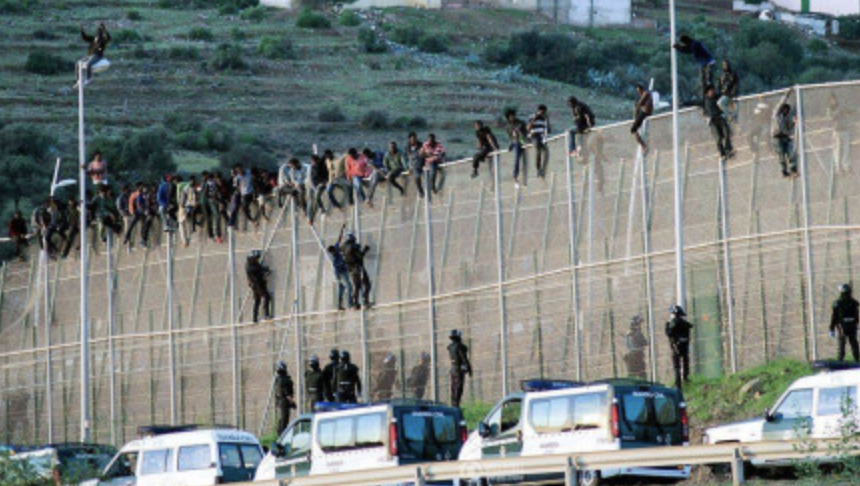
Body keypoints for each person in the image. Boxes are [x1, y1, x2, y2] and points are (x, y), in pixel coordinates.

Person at [830, 284, 860, 363]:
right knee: (853, 342)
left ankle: (840, 360)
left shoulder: (837, 303)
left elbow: (834, 317)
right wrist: (856, 324)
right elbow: (856, 316)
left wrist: (832, 328)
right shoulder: (854, 303)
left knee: (842, 343)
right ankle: (857, 359)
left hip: (842, 325)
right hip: (852, 325)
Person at [703, 84, 734, 159]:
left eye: (713, 90)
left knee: (727, 133)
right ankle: (722, 153)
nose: (713, 92)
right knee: (718, 138)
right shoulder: (704, 101)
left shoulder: (718, 97)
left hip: (720, 118)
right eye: (711, 91)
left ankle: (728, 150)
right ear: (707, 93)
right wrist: (682, 103)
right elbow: (693, 102)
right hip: (712, 121)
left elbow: (725, 97)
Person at [665, 305, 693, 390]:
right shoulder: (684, 323)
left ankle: (678, 384)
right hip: (684, 346)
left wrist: (667, 325)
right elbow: (690, 326)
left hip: (676, 347)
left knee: (677, 366)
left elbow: (668, 333)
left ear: (674, 314)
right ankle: (686, 378)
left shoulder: (673, 323)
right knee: (685, 362)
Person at [342, 232, 372, 309]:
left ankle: (355, 303)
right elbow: (360, 256)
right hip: (358, 268)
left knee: (357, 286)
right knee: (367, 284)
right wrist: (365, 250)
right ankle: (365, 301)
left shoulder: (343, 247)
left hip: (351, 270)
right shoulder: (353, 247)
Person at [772, 88, 798, 178]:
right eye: (786, 110)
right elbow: (781, 103)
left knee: (791, 152)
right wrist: (787, 94)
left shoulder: (786, 118)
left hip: (785, 137)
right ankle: (784, 171)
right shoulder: (777, 114)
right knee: (782, 155)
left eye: (788, 111)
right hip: (777, 137)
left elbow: (788, 129)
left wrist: (793, 123)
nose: (787, 112)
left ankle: (793, 170)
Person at [328, 225, 354, 311]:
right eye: (333, 252)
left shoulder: (336, 248)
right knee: (349, 286)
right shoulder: (333, 258)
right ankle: (350, 304)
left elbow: (339, 239)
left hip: (340, 272)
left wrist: (342, 229)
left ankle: (339, 305)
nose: (334, 252)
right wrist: (346, 264)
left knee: (341, 288)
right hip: (340, 273)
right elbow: (340, 265)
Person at [245, 249, 272, 323]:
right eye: (256, 258)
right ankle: (266, 314)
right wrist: (264, 271)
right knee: (266, 297)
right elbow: (258, 272)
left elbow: (260, 269)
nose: (257, 259)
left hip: (256, 285)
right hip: (258, 285)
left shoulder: (252, 265)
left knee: (257, 300)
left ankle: (255, 317)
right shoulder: (251, 267)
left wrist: (264, 270)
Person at [447, 329, 472, 408]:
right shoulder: (459, 346)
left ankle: (453, 404)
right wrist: (469, 368)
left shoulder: (450, 347)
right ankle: (456, 405)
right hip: (458, 369)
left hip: (453, 368)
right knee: (458, 387)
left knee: (453, 387)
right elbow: (464, 358)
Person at [567, 96, 596, 161]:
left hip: (585, 125)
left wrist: (589, 126)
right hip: (582, 125)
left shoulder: (579, 107)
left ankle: (574, 150)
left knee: (573, 132)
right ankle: (575, 150)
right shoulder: (575, 107)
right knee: (573, 132)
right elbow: (576, 118)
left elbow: (587, 115)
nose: (570, 106)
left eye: (570, 104)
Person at [828, 93, 851, 174]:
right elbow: (830, 118)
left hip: (845, 129)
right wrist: (837, 113)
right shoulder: (830, 109)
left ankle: (846, 166)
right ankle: (837, 168)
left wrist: (846, 111)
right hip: (837, 131)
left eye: (835, 99)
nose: (834, 101)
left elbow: (848, 112)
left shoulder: (841, 106)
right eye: (832, 99)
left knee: (846, 149)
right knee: (837, 150)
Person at [505, 109, 528, 187]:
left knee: (520, 157)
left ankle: (519, 177)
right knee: (516, 157)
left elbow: (525, 132)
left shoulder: (521, 123)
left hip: (521, 140)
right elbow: (511, 136)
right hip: (515, 141)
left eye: (513, 115)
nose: (512, 117)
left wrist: (520, 134)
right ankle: (515, 176)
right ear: (508, 118)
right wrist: (512, 141)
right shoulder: (508, 126)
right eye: (510, 116)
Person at [527, 105, 551, 179]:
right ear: (538, 111)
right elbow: (528, 128)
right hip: (534, 136)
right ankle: (538, 169)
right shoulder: (532, 116)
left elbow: (549, 130)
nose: (543, 114)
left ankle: (543, 170)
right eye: (542, 112)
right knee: (538, 151)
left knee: (546, 153)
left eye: (544, 112)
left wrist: (547, 120)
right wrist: (534, 119)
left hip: (542, 137)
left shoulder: (544, 119)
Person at [420, 133, 446, 200]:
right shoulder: (425, 145)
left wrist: (440, 157)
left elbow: (443, 152)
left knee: (443, 175)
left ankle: (438, 188)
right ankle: (432, 186)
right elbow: (421, 153)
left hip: (438, 161)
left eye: (432, 140)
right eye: (429, 140)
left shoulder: (438, 145)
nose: (430, 141)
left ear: (434, 139)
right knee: (432, 172)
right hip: (430, 162)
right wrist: (427, 155)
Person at [200, 172, 223, 243]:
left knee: (214, 218)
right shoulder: (207, 183)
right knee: (214, 217)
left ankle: (215, 235)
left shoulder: (213, 183)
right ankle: (215, 235)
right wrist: (212, 196)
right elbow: (205, 193)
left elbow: (218, 191)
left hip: (212, 201)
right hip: (209, 202)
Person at [232, 164, 257, 231]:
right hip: (244, 194)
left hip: (251, 193)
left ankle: (253, 217)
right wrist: (239, 190)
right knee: (244, 208)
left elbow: (254, 177)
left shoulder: (248, 172)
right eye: (238, 171)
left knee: (248, 206)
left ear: (242, 168)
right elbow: (235, 186)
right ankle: (252, 220)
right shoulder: (237, 177)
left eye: (240, 169)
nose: (240, 171)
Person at [274, 361, 296, 436]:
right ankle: (282, 435)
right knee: (284, 420)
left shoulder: (278, 379)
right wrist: (292, 403)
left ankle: (280, 433)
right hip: (285, 403)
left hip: (280, 402)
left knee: (282, 420)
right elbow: (287, 394)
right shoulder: (284, 380)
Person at [624, 315, 648, 380]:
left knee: (632, 373)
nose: (640, 325)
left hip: (630, 354)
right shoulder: (637, 332)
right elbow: (644, 342)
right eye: (639, 323)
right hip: (637, 354)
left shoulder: (628, 332)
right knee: (641, 373)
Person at [178, 176, 199, 247]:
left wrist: (182, 206)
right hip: (192, 208)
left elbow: (182, 201)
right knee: (188, 225)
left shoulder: (186, 188)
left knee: (182, 224)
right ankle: (186, 241)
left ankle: (185, 241)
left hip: (188, 208)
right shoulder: (196, 188)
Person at [632, 83, 653, 155]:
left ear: (642, 89)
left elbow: (639, 104)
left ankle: (644, 146)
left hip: (645, 113)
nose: (639, 93)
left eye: (639, 91)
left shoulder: (646, 93)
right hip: (644, 113)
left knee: (633, 130)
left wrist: (637, 106)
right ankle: (643, 145)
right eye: (638, 92)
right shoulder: (646, 94)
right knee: (635, 130)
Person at [307, 155, 329, 225]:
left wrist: (323, 182)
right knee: (310, 202)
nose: (312, 162)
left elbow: (325, 177)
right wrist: (314, 187)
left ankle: (320, 210)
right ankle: (310, 217)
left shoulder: (321, 167)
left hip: (319, 185)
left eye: (312, 161)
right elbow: (310, 178)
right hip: (312, 186)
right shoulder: (312, 167)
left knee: (316, 199)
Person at [406, 133, 425, 197]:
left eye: (415, 138)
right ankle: (420, 190)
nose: (414, 140)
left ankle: (422, 189)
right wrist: (409, 167)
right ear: (409, 139)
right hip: (414, 165)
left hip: (421, 162)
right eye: (412, 139)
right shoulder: (408, 147)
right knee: (416, 174)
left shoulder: (421, 145)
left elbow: (423, 154)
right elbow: (408, 158)